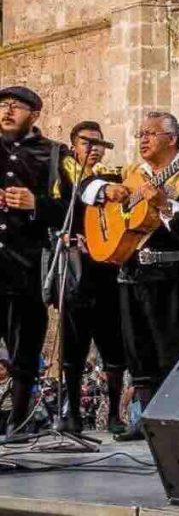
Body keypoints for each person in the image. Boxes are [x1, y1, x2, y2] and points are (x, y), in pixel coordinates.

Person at [81, 111, 179, 441]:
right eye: (140, 134)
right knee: (139, 352)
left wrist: (168, 207)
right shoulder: (128, 174)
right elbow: (84, 184)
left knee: (176, 351)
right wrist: (106, 191)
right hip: (131, 273)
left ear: (173, 139)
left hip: (173, 277)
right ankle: (149, 419)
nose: (143, 139)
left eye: (151, 133)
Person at [0, 86, 69, 436]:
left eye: (17, 106)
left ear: (35, 114)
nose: (8, 111)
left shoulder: (54, 154)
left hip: (26, 265)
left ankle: (20, 420)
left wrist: (36, 205)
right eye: (4, 105)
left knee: (25, 349)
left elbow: (75, 213)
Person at [53, 121, 127, 435]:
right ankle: (70, 414)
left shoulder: (112, 176)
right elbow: (60, 207)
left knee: (113, 346)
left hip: (106, 271)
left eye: (100, 143)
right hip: (75, 270)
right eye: (88, 142)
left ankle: (113, 414)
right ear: (74, 145)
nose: (95, 148)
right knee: (73, 346)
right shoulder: (64, 174)